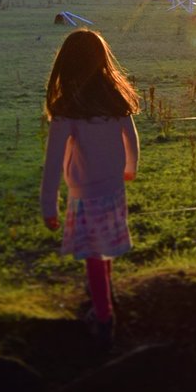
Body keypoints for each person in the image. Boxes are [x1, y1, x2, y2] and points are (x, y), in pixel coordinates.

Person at [40, 29, 140, 350]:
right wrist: (129, 169)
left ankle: (103, 316)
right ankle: (105, 298)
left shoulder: (67, 111)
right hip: (113, 188)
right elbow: (131, 140)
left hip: (87, 194)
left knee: (94, 256)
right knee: (103, 248)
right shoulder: (114, 102)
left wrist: (48, 207)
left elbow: (53, 163)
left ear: (66, 66)